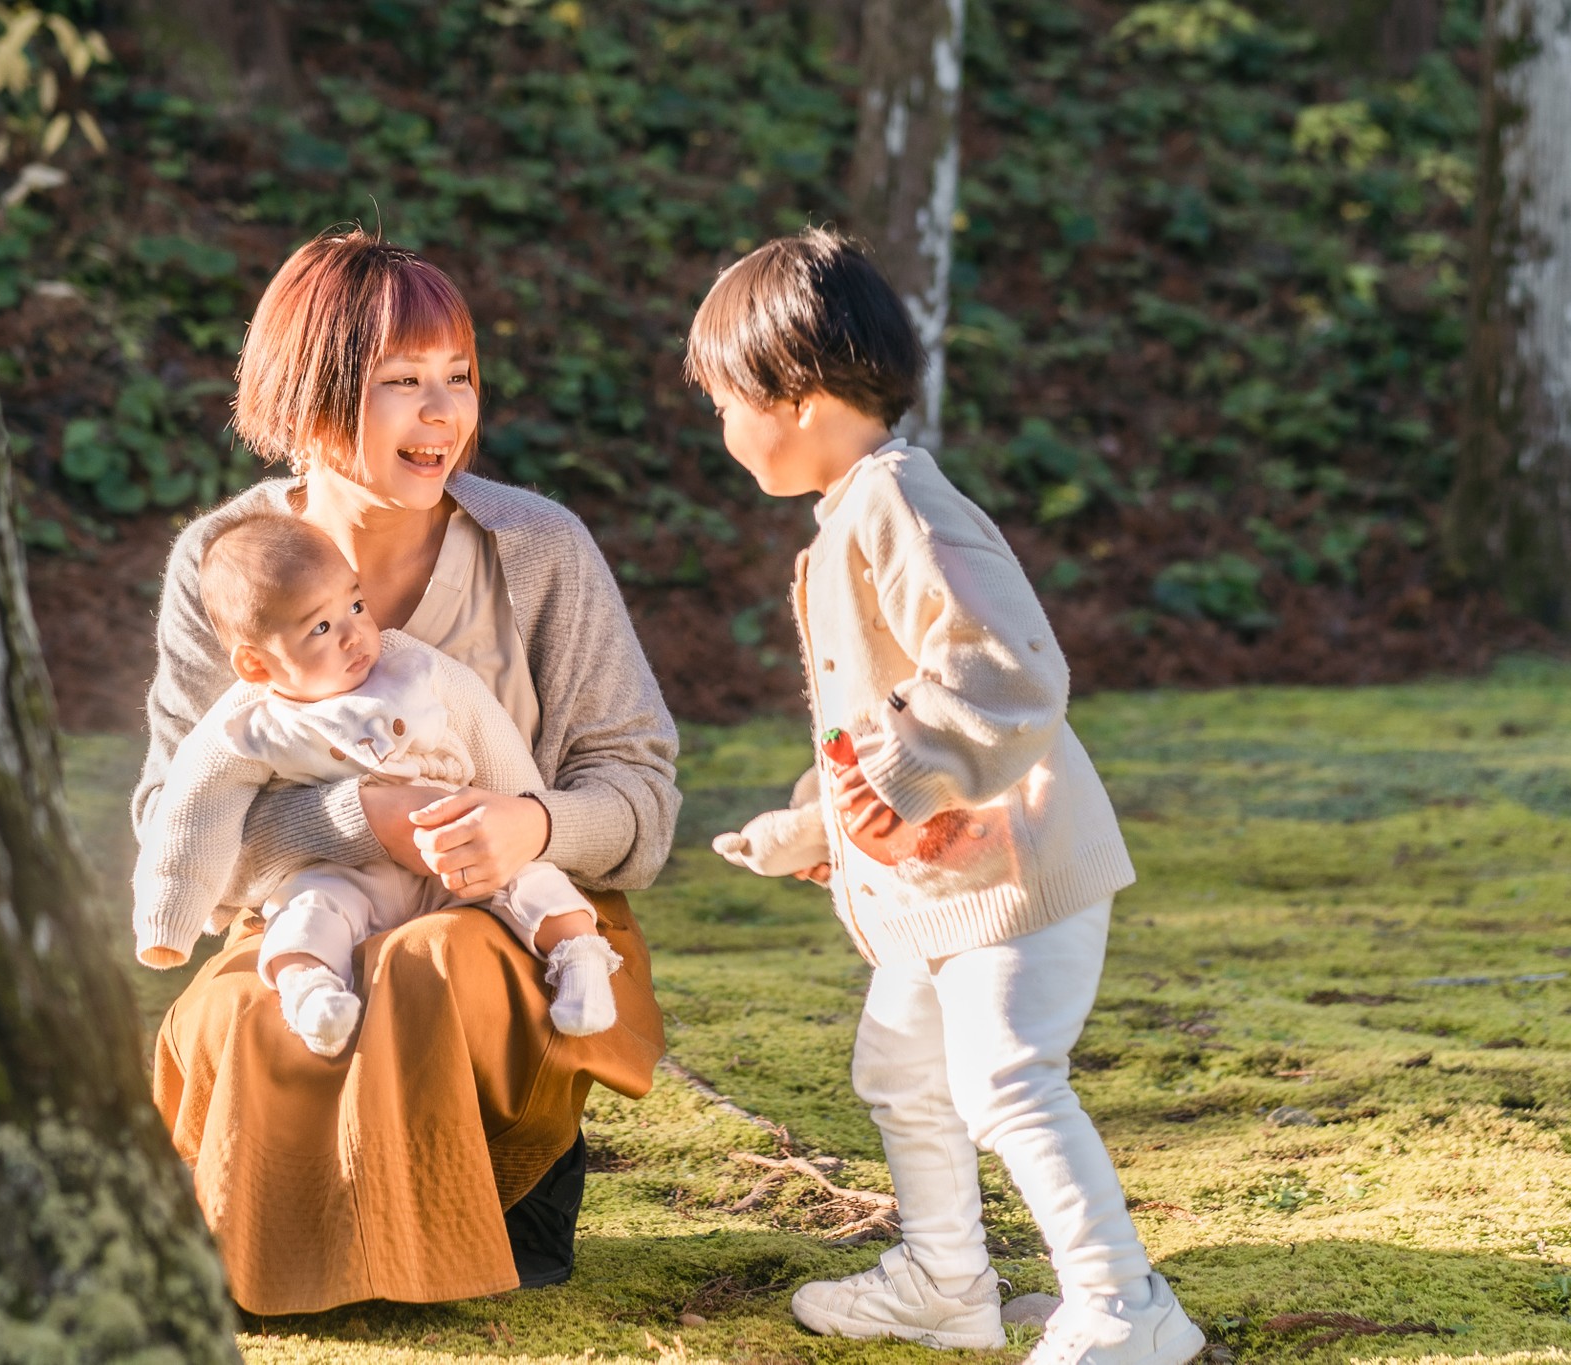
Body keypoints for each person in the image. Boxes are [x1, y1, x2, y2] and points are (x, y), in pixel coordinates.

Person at [136, 226, 677, 1315]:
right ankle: (276, 1273)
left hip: (519, 918)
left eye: (459, 378)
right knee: (248, 1011)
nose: (443, 413)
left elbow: (642, 799)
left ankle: (427, 1238)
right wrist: (358, 816)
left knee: (430, 962)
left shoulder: (538, 550)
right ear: (312, 399)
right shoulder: (225, 564)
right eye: (401, 384)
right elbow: (174, 811)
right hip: (314, 913)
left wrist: (527, 828)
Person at [690, 229, 1206, 1365]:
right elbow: (878, 718)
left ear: (798, 392)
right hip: (940, 895)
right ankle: (945, 1281)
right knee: (899, 1072)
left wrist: (895, 780)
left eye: (725, 400)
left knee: (1006, 1080)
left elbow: (1008, 668)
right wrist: (815, 825)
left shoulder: (899, 505)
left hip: (1016, 881)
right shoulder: (849, 519)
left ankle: (1125, 1309)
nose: (720, 428)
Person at [131, 510, 624, 1055]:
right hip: (343, 875)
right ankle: (311, 994)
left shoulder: (411, 669)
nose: (354, 635)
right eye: (320, 627)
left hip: (453, 849)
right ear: (255, 664)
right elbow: (193, 812)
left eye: (357, 606)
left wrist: (523, 815)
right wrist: (167, 922)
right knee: (304, 915)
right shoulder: (253, 725)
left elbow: (488, 734)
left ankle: (580, 963)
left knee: (534, 883)